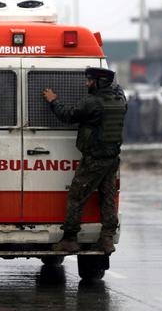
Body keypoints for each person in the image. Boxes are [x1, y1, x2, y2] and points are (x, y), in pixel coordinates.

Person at [43, 67, 127, 254]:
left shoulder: (92, 102)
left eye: (90, 80)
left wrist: (53, 101)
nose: (86, 83)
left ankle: (70, 239)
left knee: (76, 196)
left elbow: (68, 115)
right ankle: (106, 239)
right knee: (108, 199)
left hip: (94, 160)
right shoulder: (120, 101)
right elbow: (120, 92)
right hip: (112, 160)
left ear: (99, 83)